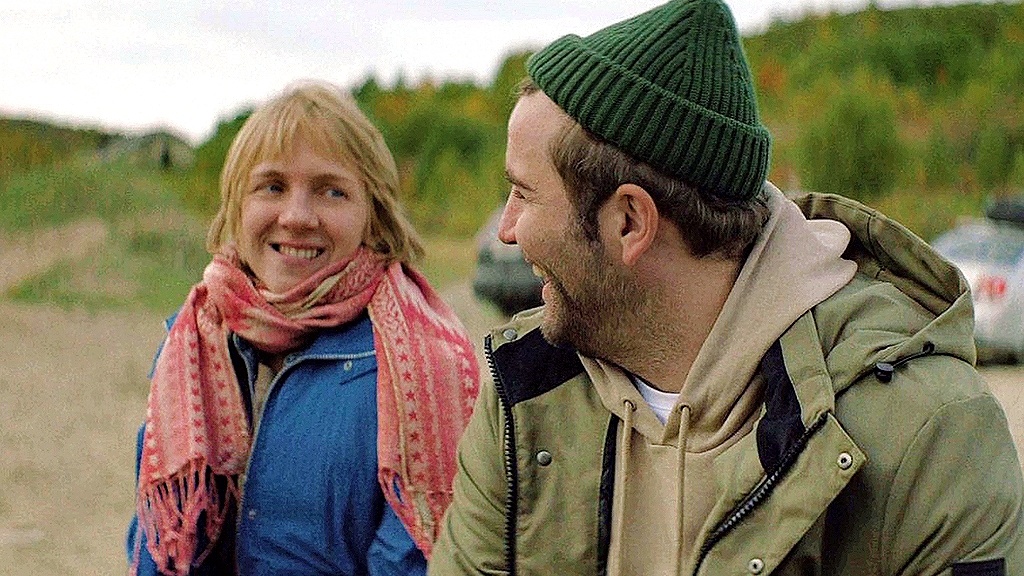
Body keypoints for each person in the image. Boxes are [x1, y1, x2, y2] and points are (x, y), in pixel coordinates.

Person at [428, 1, 1024, 574]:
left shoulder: (931, 432)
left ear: (630, 222)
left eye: (524, 193)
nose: (506, 230)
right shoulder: (525, 392)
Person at [126, 80, 480, 576]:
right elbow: (159, 543)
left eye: (331, 191)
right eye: (272, 186)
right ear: (236, 206)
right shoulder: (194, 341)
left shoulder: (423, 366)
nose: (296, 217)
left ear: (373, 214)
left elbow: (414, 561)